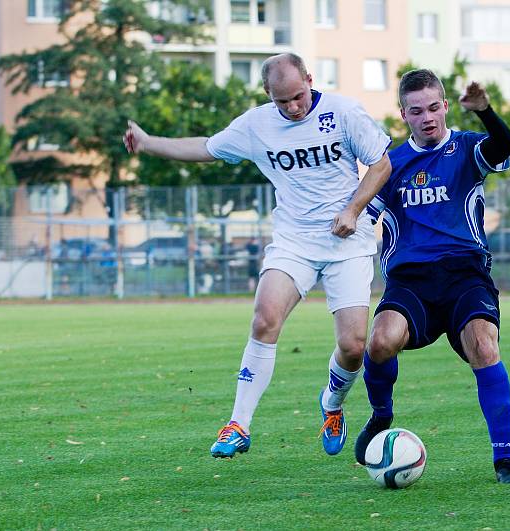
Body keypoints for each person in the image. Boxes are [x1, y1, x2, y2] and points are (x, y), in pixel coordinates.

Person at [123, 53, 391, 458]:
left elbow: (381, 164)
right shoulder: (257, 124)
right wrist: (147, 143)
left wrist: (353, 210)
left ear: (310, 80)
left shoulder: (343, 112)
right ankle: (238, 424)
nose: (293, 107)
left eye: (299, 96)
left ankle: (332, 405)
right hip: (294, 241)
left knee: (354, 347)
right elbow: (205, 148)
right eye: (282, 101)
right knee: (265, 318)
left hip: (347, 243)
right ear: (268, 95)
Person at [354, 69, 510, 484]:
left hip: (465, 274)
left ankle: (504, 460)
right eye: (417, 111)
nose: (427, 117)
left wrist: (485, 111)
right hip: (411, 281)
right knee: (379, 341)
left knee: (484, 347)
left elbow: (505, 147)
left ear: (446, 106)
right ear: (404, 115)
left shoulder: (467, 148)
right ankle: (381, 415)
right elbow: (362, 218)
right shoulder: (389, 164)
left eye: (434, 108)